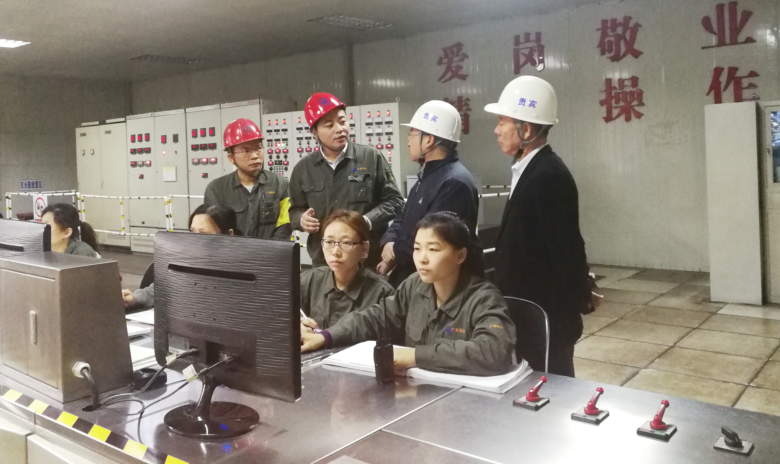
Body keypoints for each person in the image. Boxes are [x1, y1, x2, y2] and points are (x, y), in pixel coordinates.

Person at [301, 212, 516, 376]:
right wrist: (326, 336)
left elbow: (494, 351)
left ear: (460, 256)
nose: (422, 258)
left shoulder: (484, 298)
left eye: (433, 249)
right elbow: (374, 317)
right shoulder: (414, 286)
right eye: (417, 248)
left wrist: (414, 356)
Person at [484, 75, 590, 377]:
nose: (496, 130)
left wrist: (577, 302)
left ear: (526, 129)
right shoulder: (529, 169)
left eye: (502, 121)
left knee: (552, 389)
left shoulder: (549, 176)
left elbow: (566, 250)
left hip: (546, 318)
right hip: (528, 316)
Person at [289, 92, 404, 267]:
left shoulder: (371, 158)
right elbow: (294, 210)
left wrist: (366, 221)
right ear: (314, 132)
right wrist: (301, 220)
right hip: (324, 261)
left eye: (343, 121)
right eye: (329, 125)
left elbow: (395, 201)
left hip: (366, 260)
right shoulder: (303, 169)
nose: (339, 129)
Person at [377, 100, 482, 287]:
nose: (408, 142)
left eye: (412, 134)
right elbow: (402, 216)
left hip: (439, 286)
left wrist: (395, 252)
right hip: (415, 279)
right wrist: (389, 241)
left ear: (428, 140)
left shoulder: (454, 183)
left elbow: (434, 239)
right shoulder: (427, 175)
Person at [122, 203, 241, 310]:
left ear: (229, 234)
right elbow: (163, 289)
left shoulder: (241, 268)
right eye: (192, 232)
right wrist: (133, 299)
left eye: (203, 234)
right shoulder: (185, 260)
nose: (194, 240)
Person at [300, 210, 393, 329]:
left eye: (346, 243)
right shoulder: (309, 281)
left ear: (364, 248)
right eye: (329, 242)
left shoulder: (382, 294)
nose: (335, 252)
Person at [204, 118, 291, 240]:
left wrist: (270, 249)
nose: (255, 156)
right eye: (246, 151)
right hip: (232, 251)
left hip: (270, 251)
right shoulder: (216, 189)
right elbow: (213, 229)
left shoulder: (280, 184)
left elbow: (286, 225)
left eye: (258, 148)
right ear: (231, 157)